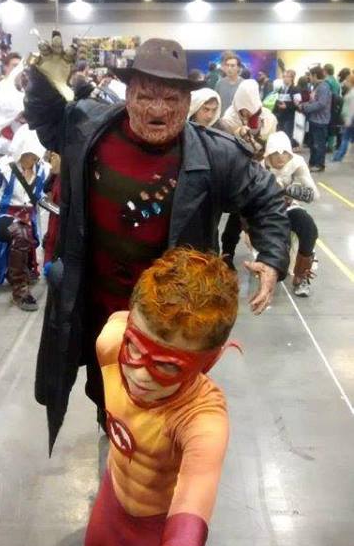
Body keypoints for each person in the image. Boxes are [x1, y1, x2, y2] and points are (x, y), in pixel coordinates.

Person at [24, 34, 290, 451]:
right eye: (146, 96)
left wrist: (272, 257)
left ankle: (150, 459)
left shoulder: (216, 155)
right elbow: (45, 120)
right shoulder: (87, 127)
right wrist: (43, 83)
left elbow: (266, 197)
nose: (158, 110)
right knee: (105, 384)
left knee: (162, 403)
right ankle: (111, 431)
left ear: (188, 101)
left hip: (168, 321)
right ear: (128, 93)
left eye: (171, 99)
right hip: (95, 307)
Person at [80, 247, 238, 546]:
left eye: (167, 366)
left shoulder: (202, 420)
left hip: (157, 528)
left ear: (206, 363)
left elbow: (189, 524)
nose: (140, 375)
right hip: (112, 499)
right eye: (136, 349)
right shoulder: (111, 342)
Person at [0, 125, 50, 311]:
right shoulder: (1, 169)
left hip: (29, 222)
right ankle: (20, 292)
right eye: (28, 154)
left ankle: (14, 265)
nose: (32, 159)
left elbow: (43, 197)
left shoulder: (43, 169)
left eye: (35, 155)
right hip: (1, 219)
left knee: (24, 233)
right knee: (20, 231)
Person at [219, 79, 278, 267]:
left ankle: (266, 256)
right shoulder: (229, 118)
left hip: (260, 170)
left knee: (262, 214)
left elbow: (272, 146)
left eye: (249, 109)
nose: (246, 114)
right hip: (237, 172)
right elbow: (225, 147)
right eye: (243, 109)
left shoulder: (268, 118)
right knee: (237, 214)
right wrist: (239, 134)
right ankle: (227, 253)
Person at [264, 132, 319, 297]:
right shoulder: (260, 166)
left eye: (284, 153)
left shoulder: (297, 163)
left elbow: (314, 195)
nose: (280, 158)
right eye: (275, 153)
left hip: (288, 207)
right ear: (268, 154)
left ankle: (301, 276)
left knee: (309, 228)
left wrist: (292, 190)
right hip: (264, 211)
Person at [299, 65, 332, 172]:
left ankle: (319, 165)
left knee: (319, 144)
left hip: (320, 121)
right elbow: (313, 101)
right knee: (313, 144)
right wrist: (304, 105)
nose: (309, 78)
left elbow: (321, 104)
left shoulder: (324, 87)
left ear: (315, 75)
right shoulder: (317, 86)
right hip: (314, 119)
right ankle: (312, 163)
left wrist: (306, 108)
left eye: (310, 75)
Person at [332, 73, 354, 162]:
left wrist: (348, 119)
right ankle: (339, 156)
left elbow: (351, 108)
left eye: (347, 81)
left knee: (345, 138)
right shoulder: (351, 92)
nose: (345, 82)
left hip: (350, 119)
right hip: (350, 119)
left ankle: (338, 156)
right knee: (347, 138)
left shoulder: (352, 94)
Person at [273, 69, 300, 143]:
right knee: (279, 137)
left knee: (287, 137)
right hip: (280, 116)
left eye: (287, 76)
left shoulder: (296, 89)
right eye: (284, 76)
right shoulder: (281, 89)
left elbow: (298, 104)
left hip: (289, 118)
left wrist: (287, 106)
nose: (285, 78)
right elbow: (277, 100)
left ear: (292, 78)